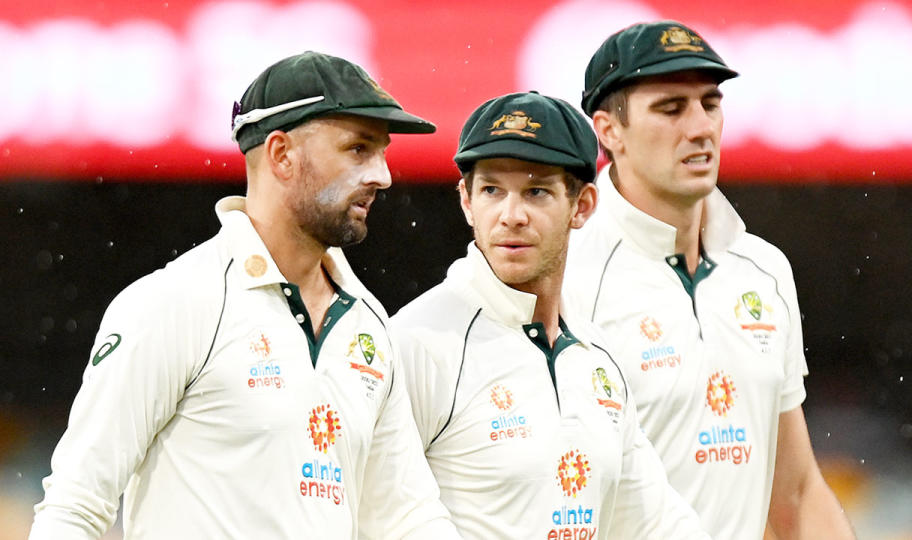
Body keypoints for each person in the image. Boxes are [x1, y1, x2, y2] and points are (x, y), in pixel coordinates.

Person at [30, 51, 460, 539]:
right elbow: (75, 505)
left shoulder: (370, 325)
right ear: (281, 155)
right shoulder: (175, 303)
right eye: (358, 149)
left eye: (382, 152)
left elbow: (406, 518)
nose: (382, 175)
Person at [565, 21, 857, 539]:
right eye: (671, 109)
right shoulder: (566, 276)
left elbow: (793, 493)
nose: (699, 127)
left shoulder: (764, 270)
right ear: (609, 131)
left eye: (710, 103)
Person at [391, 91, 708, 539]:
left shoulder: (597, 356)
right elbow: (376, 514)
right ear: (466, 201)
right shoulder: (417, 342)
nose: (511, 215)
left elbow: (654, 525)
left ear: (582, 206)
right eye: (492, 190)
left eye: (536, 191)